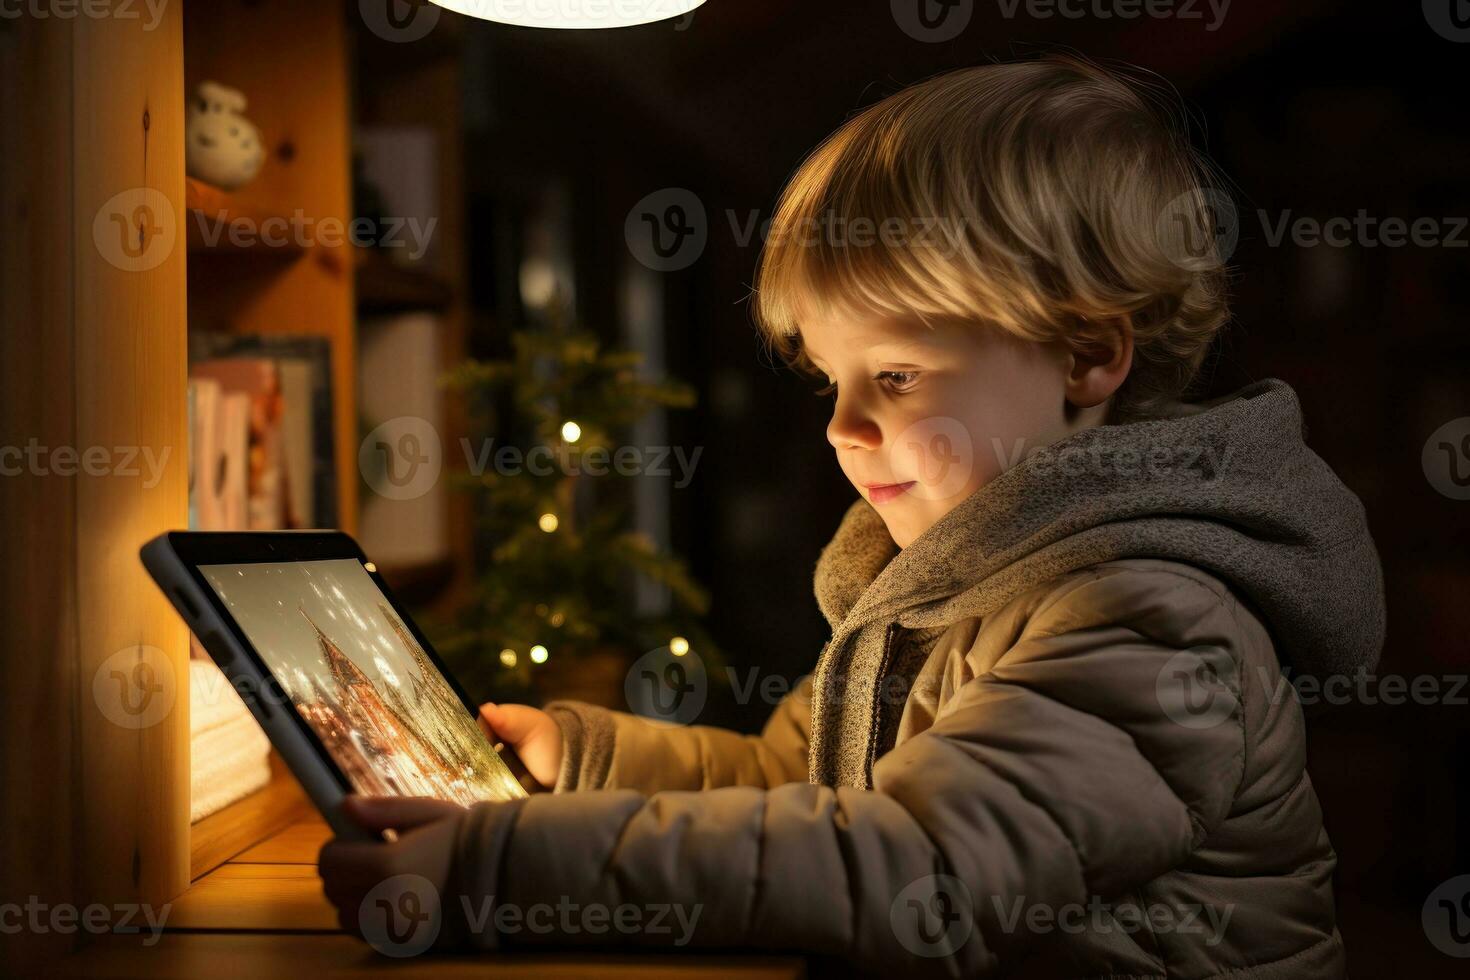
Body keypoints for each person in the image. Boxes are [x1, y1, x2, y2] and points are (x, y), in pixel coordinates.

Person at [320, 54, 1384, 977]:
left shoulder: (1148, 617)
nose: (843, 424)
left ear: (1086, 354)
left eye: (899, 375)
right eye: (831, 376)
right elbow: (798, 782)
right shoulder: (948, 584)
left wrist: (499, 868)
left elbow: (920, 864)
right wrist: (586, 756)